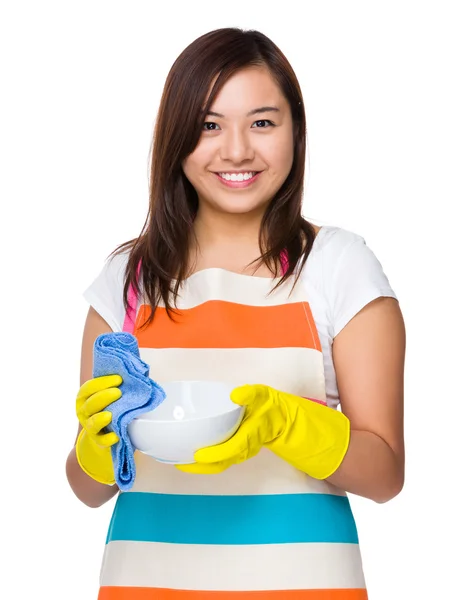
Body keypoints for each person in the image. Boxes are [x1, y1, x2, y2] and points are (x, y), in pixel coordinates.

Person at [66, 27, 405, 600]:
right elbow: (87, 488)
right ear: (175, 138)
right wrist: (98, 445)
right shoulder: (129, 278)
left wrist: (288, 423)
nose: (237, 151)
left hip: (303, 587)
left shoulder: (338, 265)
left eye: (263, 122)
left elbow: (386, 475)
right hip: (144, 584)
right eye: (208, 125)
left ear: (295, 130)